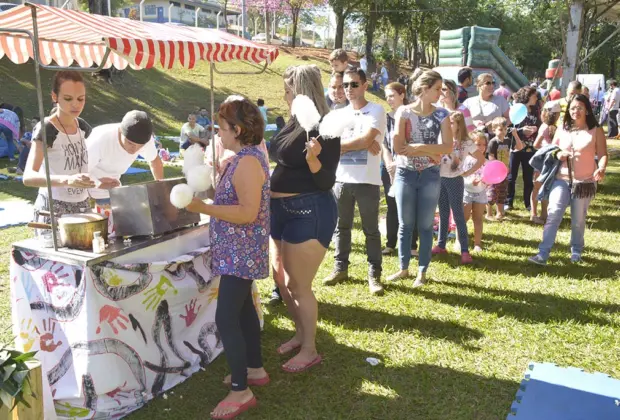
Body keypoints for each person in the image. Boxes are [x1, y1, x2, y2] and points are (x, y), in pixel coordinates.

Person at [185, 96, 270, 419]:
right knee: (245, 309)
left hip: (241, 252)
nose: (217, 134)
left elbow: (247, 212)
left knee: (226, 318)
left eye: (220, 128)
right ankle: (254, 369)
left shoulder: (247, 161)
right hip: (237, 251)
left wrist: (204, 208)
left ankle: (240, 389)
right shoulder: (240, 158)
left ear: (237, 129)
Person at [270, 65, 341, 371]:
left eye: (288, 90)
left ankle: (310, 348)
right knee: (282, 279)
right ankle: (300, 333)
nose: (284, 96)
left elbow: (326, 180)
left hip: (309, 210)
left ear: (301, 93)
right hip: (281, 211)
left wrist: (313, 160)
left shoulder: (325, 126)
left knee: (299, 284)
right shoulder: (293, 122)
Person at [23, 71, 118, 231]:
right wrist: (67, 180)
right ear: (55, 97)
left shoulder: (82, 127)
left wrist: (97, 182)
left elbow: (76, 171)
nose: (76, 104)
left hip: (82, 207)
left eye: (81, 99)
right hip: (53, 209)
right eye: (68, 99)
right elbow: (28, 177)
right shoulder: (47, 128)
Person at [387, 70, 453, 287]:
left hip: (430, 175)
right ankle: (403, 269)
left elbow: (447, 147)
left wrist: (418, 147)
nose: (440, 93)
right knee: (405, 225)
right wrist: (431, 152)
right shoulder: (404, 112)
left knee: (425, 226)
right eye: (437, 89)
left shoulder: (442, 114)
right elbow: (398, 148)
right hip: (405, 174)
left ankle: (422, 272)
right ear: (424, 89)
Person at [322, 67, 386, 296]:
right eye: (345, 85)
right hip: (341, 179)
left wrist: (349, 145)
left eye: (353, 84)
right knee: (342, 228)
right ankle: (341, 268)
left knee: (371, 230)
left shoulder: (377, 110)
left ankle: (374, 274)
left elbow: (367, 139)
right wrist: (357, 143)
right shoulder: (338, 114)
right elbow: (327, 144)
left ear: (365, 85)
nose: (348, 89)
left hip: (367, 180)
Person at [528, 94, 607, 265]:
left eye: (579, 108)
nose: (575, 111)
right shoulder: (562, 128)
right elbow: (551, 149)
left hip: (584, 182)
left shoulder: (595, 130)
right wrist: (559, 153)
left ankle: (576, 251)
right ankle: (543, 253)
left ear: (586, 110)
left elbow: (602, 154)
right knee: (554, 213)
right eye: (572, 108)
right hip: (561, 179)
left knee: (578, 220)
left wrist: (601, 168)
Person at [86, 110, 164, 233]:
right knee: (94, 232)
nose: (135, 149)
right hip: (84, 185)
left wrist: (160, 188)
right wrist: (97, 183)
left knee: (117, 230)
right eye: (130, 143)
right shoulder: (100, 139)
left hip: (113, 186)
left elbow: (155, 161)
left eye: (140, 146)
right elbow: (77, 171)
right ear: (120, 131)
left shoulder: (144, 140)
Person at [432, 111, 484, 263]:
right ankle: (441, 244)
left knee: (458, 215)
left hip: (455, 180)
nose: (448, 125)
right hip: (440, 178)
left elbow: (480, 159)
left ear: (459, 125)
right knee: (442, 212)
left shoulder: (466, 142)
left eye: (452, 123)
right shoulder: (441, 138)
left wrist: (467, 172)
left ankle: (465, 250)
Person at [381, 82, 418, 257]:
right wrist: (389, 163)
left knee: (410, 205)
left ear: (402, 95)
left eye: (392, 95)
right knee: (392, 206)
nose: (389, 99)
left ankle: (412, 245)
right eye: (387, 96)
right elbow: (384, 143)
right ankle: (390, 244)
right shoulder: (386, 117)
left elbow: (414, 142)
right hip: (389, 166)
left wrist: (400, 161)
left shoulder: (412, 115)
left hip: (409, 164)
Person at [505, 86, 541, 212]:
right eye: (534, 95)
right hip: (515, 148)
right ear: (527, 96)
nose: (536, 98)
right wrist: (521, 131)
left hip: (530, 148)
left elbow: (539, 125)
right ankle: (508, 202)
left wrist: (536, 130)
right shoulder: (516, 109)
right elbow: (508, 130)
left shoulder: (536, 110)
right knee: (511, 176)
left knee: (528, 177)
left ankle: (528, 203)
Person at [486, 117, 524, 221]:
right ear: (493, 130)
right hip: (495, 173)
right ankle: (489, 213)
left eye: (505, 129)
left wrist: (515, 135)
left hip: (504, 173)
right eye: (500, 129)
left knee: (502, 193)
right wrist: (497, 168)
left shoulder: (507, 141)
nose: (503, 132)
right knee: (492, 193)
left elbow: (520, 147)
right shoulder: (493, 142)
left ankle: (500, 213)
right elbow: (491, 157)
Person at [531, 101, 560, 224]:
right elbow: (536, 144)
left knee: (541, 187)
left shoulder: (549, 127)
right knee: (541, 187)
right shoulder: (548, 128)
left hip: (546, 162)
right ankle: (537, 214)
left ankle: (541, 214)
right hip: (546, 162)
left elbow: (536, 144)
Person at [462, 131, 489, 252]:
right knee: (463, 218)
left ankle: (477, 244)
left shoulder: (486, 162)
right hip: (466, 192)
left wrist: (486, 181)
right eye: (478, 144)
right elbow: (461, 176)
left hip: (481, 193)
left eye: (484, 145)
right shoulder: (465, 160)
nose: (482, 147)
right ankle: (460, 240)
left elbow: (490, 177)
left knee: (478, 218)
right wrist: (469, 182)